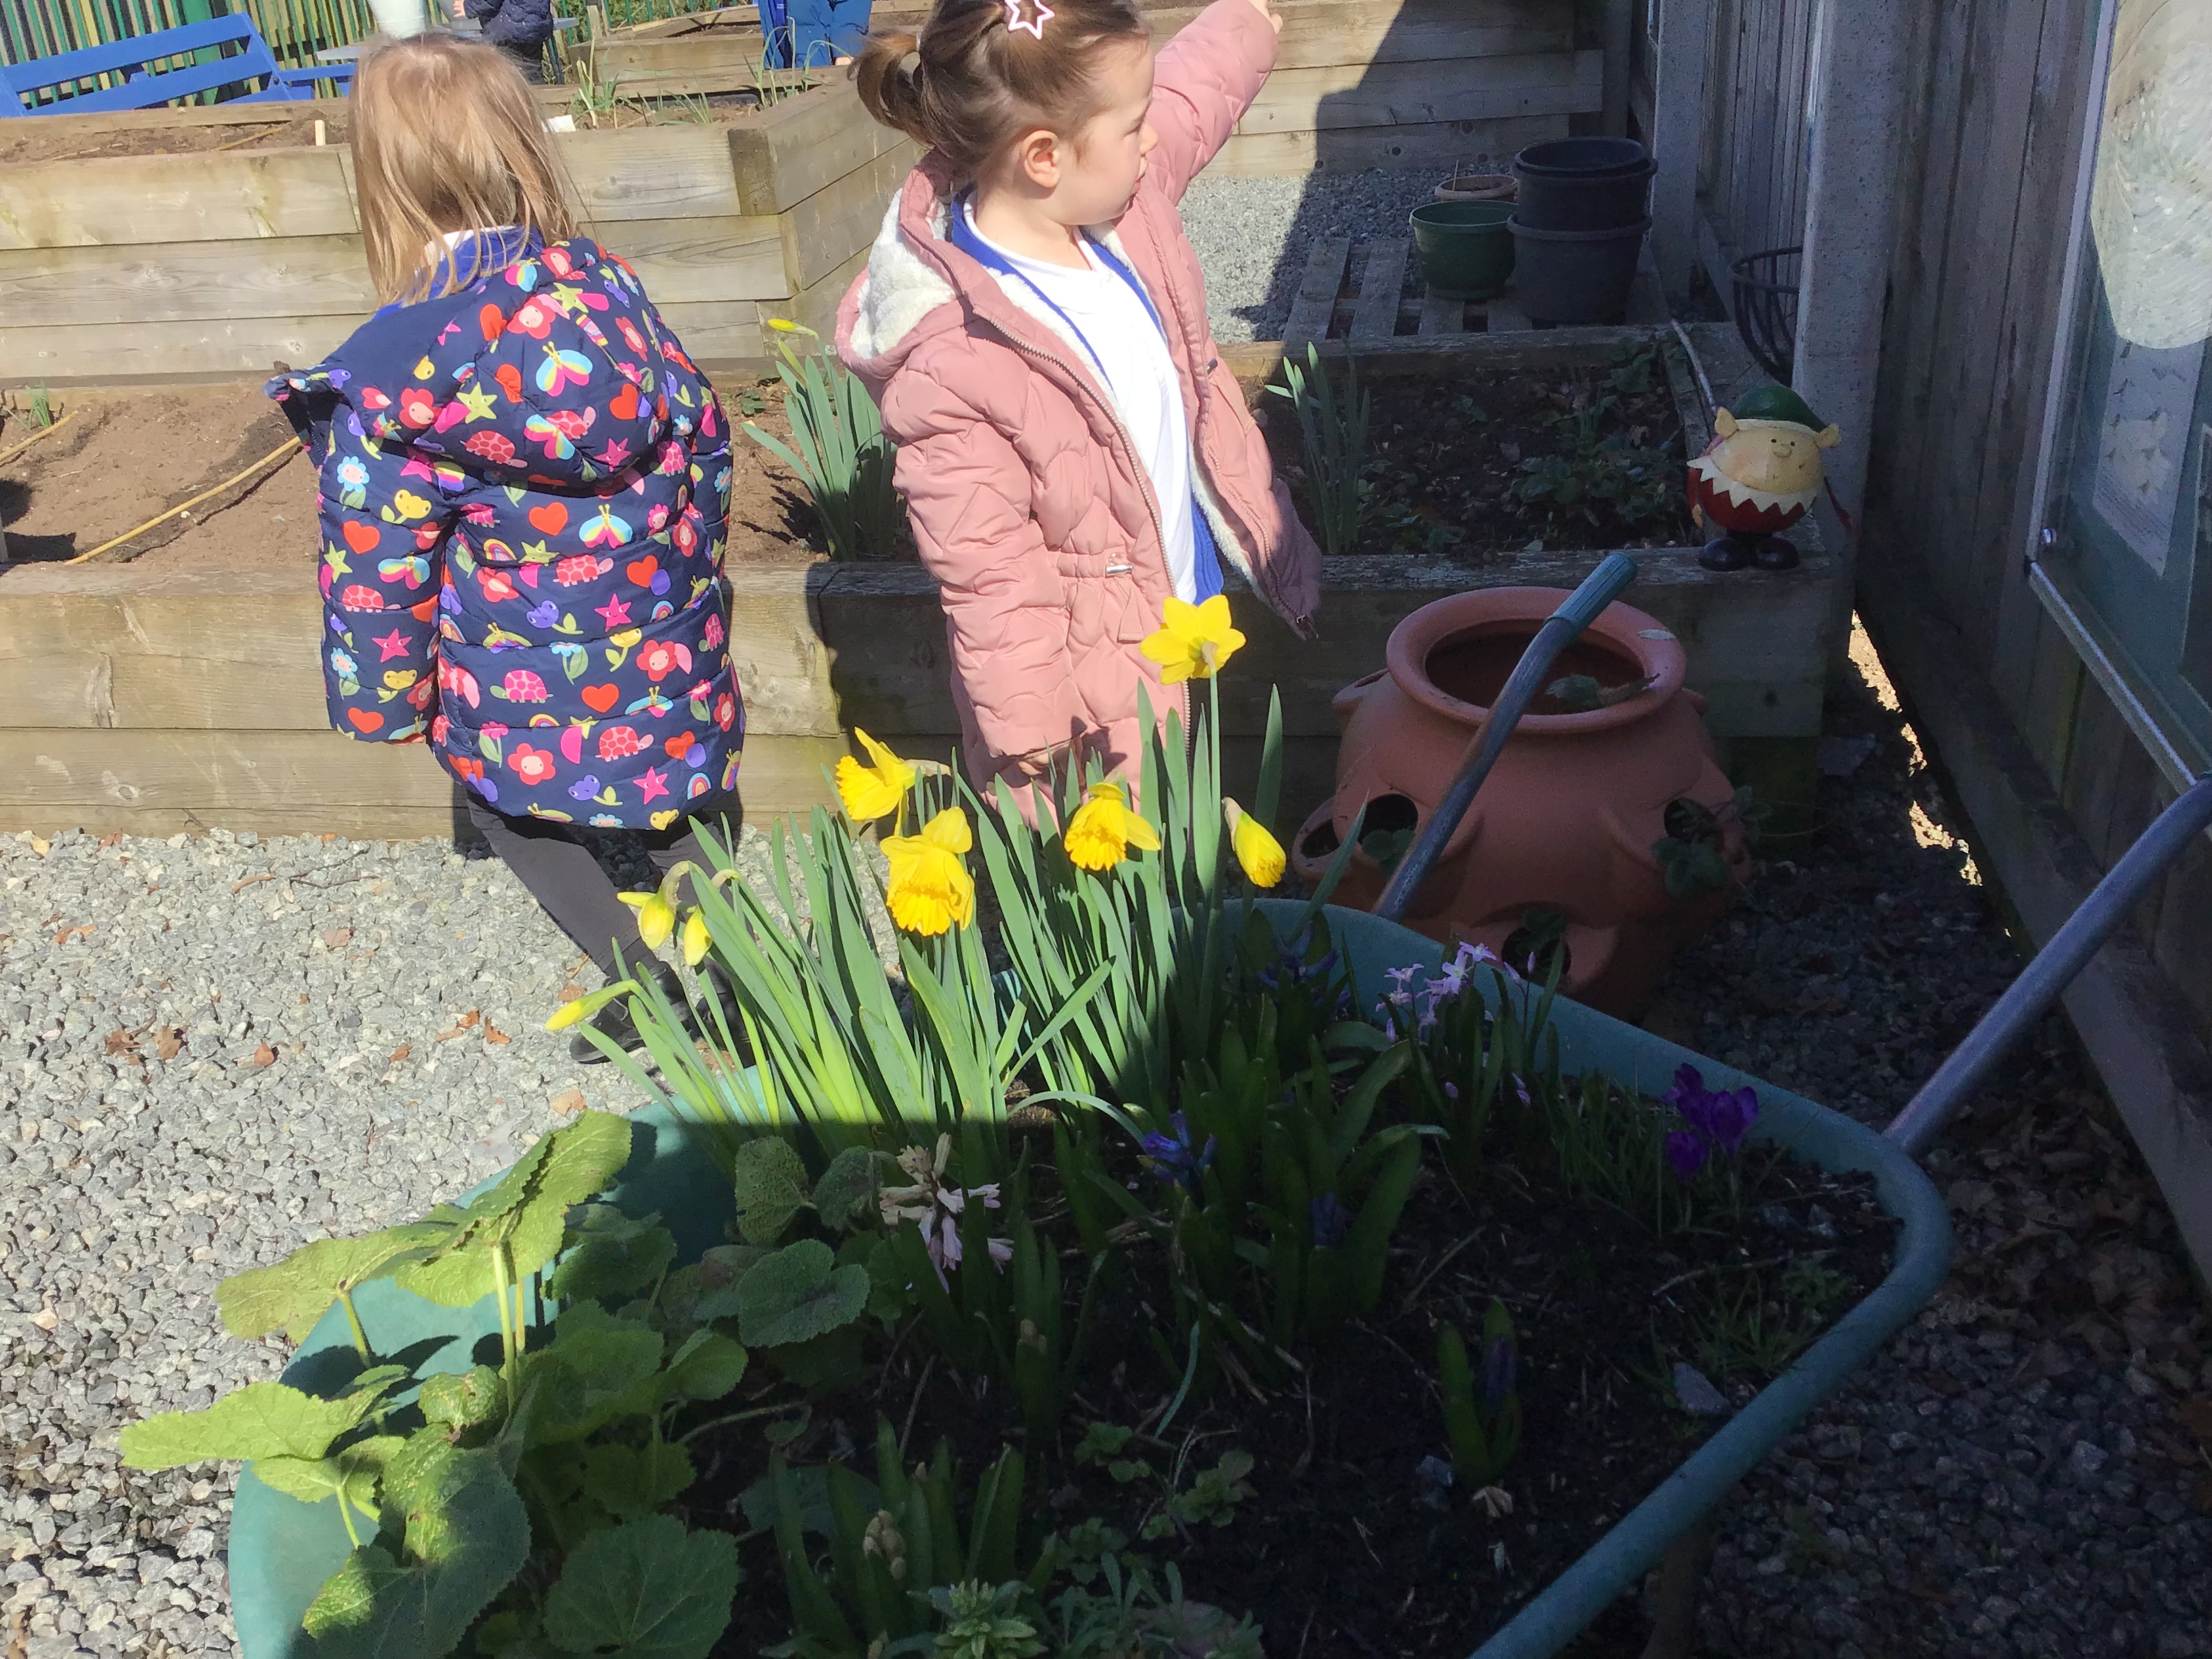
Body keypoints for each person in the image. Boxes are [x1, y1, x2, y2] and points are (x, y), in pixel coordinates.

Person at [266, 35, 743, 1063]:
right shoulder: (608, 296)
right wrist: (696, 566)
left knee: (505, 809)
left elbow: (376, 564)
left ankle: (644, 980)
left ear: (381, 186)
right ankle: (729, 967)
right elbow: (704, 433)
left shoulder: (393, 376)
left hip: (517, 669)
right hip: (666, 630)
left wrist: (385, 701)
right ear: (524, 149)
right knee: (687, 794)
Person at [836, 0, 1318, 800]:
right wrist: (1031, 725)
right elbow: (988, 570)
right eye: (1132, 126)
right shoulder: (955, 355)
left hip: (1176, 604)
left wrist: (1247, 23)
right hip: (1090, 687)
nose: (1151, 139)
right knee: (1129, 842)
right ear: (1043, 156)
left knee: (1189, 795)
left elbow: (1188, 101)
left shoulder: (1120, 211)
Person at [457, 0, 555, 84]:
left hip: (509, 27)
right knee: (531, 73)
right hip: (535, 25)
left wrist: (470, 6)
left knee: (507, 79)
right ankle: (539, 98)